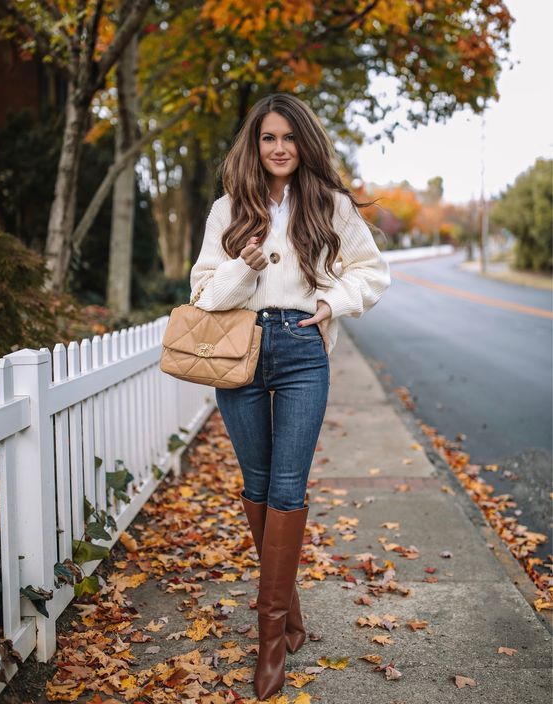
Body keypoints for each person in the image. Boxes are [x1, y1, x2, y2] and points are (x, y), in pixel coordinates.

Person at [189, 93, 391, 700]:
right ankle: (290, 612)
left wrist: (331, 303)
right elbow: (202, 294)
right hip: (240, 351)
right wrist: (242, 268)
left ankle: (270, 640)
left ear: (304, 143)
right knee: (256, 487)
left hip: (303, 350)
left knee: (287, 489)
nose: (279, 148)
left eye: (289, 137)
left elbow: (371, 271)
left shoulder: (329, 205)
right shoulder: (229, 209)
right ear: (255, 145)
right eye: (268, 138)